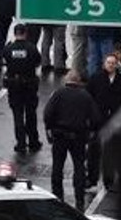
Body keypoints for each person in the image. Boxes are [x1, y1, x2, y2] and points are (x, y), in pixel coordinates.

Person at [44, 71, 102, 208]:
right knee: (79, 167)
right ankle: (79, 199)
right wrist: (91, 132)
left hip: (60, 135)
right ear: (79, 81)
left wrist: (50, 128)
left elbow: (48, 113)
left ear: (67, 80)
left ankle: (58, 197)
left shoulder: (58, 94)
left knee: (57, 167)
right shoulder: (85, 96)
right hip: (78, 137)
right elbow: (96, 118)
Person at [86, 53, 121, 190]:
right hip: (97, 120)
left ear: (117, 64)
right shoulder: (96, 78)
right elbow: (89, 97)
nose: (110, 65)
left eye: (113, 63)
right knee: (93, 151)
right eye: (108, 62)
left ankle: (109, 180)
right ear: (104, 64)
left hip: (114, 120)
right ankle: (92, 178)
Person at [2, 24, 43, 152]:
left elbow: (5, 60)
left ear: (15, 33)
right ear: (25, 33)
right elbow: (37, 62)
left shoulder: (9, 48)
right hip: (29, 85)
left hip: (14, 85)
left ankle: (20, 143)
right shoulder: (31, 48)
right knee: (31, 114)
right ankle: (33, 141)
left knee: (17, 115)